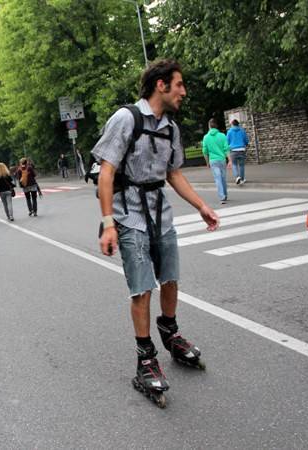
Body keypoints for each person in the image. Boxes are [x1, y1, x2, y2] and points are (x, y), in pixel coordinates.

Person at [92, 59, 219, 405]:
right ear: (161, 85)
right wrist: (108, 224)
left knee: (171, 277)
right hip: (129, 214)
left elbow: (174, 173)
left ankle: (170, 332)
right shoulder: (126, 118)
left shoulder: (170, 128)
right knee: (142, 288)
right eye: (179, 84)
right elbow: (106, 172)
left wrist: (200, 206)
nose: (183, 91)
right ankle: (146, 358)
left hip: (160, 212)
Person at [202, 118, 231, 204]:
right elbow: (226, 149)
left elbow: (205, 151)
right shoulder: (222, 135)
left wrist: (207, 162)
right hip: (222, 160)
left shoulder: (206, 137)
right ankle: (225, 194)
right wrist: (230, 160)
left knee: (217, 179)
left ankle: (222, 197)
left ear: (209, 126)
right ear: (216, 126)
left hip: (213, 161)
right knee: (223, 178)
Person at [226, 119, 250, 185]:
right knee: (241, 165)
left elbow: (227, 141)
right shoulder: (242, 131)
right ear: (238, 124)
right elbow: (246, 140)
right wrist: (246, 144)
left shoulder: (229, 131)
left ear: (232, 124)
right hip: (242, 149)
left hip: (233, 150)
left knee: (234, 165)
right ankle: (242, 179)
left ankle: (237, 177)